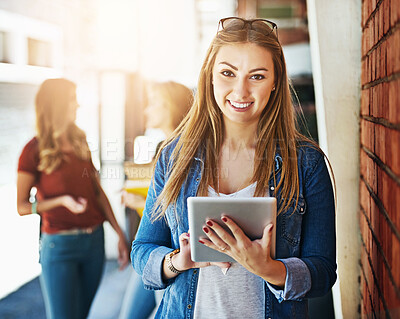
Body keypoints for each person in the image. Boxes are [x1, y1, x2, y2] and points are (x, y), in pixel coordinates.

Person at [131, 17, 336, 318]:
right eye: (228, 73)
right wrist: (179, 260)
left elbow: (322, 272)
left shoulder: (306, 163)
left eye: (257, 76)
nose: (240, 92)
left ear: (276, 81)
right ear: (210, 76)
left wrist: (269, 268)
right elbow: (143, 249)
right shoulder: (174, 156)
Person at [16, 78, 130, 319]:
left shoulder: (80, 141)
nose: (77, 105)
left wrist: (120, 233)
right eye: (72, 100)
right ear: (55, 104)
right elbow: (22, 207)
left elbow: (97, 192)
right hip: (59, 246)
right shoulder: (32, 151)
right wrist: (61, 201)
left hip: (94, 243)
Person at [119, 80, 193, 319]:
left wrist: (139, 202)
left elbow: (176, 212)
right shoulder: (163, 148)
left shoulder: (181, 151)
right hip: (157, 248)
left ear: (170, 107)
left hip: (173, 252)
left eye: (153, 104)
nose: (146, 110)